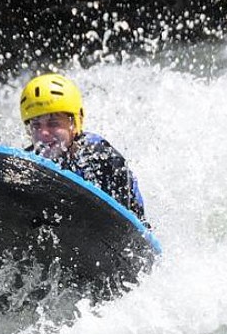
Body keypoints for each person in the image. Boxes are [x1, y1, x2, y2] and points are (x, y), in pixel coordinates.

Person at [19, 73, 148, 225]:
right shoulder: (27, 162)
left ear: (75, 123)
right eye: (36, 126)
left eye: (53, 124)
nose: (43, 133)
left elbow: (129, 226)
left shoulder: (103, 159)